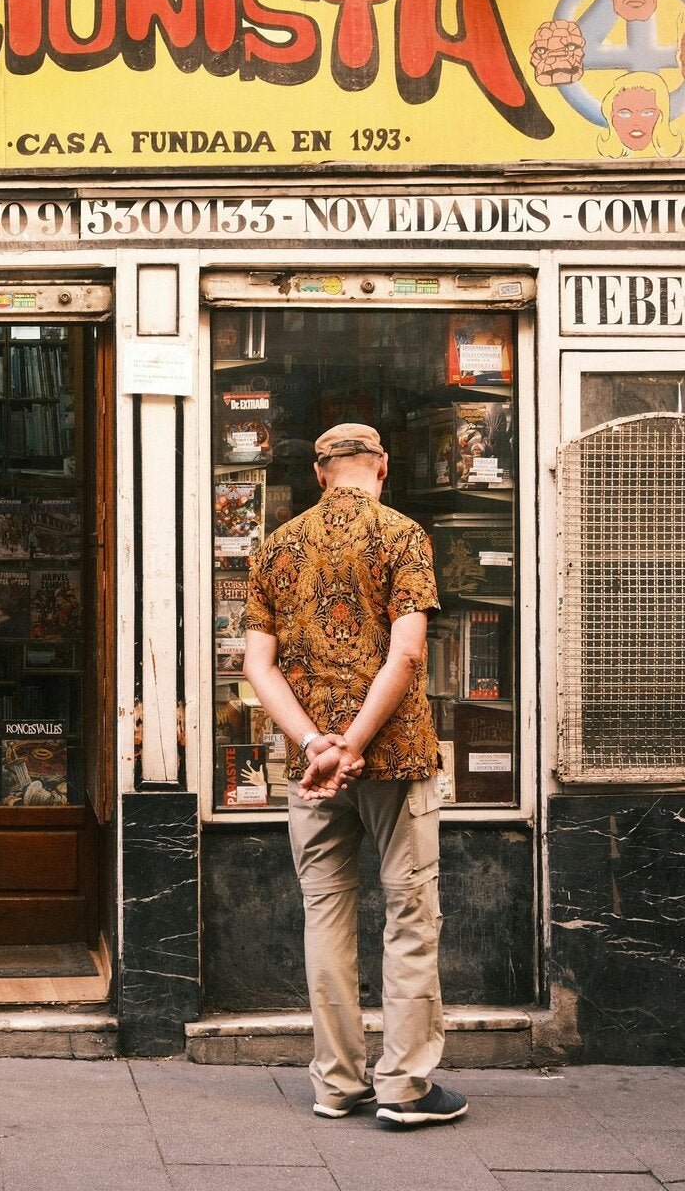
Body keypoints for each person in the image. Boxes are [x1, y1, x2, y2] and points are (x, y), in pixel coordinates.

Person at [242, 423, 467, 1130]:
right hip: (396, 757)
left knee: (325, 915)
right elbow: (407, 656)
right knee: (411, 915)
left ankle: (337, 1083)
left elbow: (256, 666)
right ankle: (404, 1086)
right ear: (382, 467)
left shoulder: (276, 546)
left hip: (313, 768)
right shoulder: (402, 536)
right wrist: (357, 743)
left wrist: (318, 744)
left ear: (319, 473)